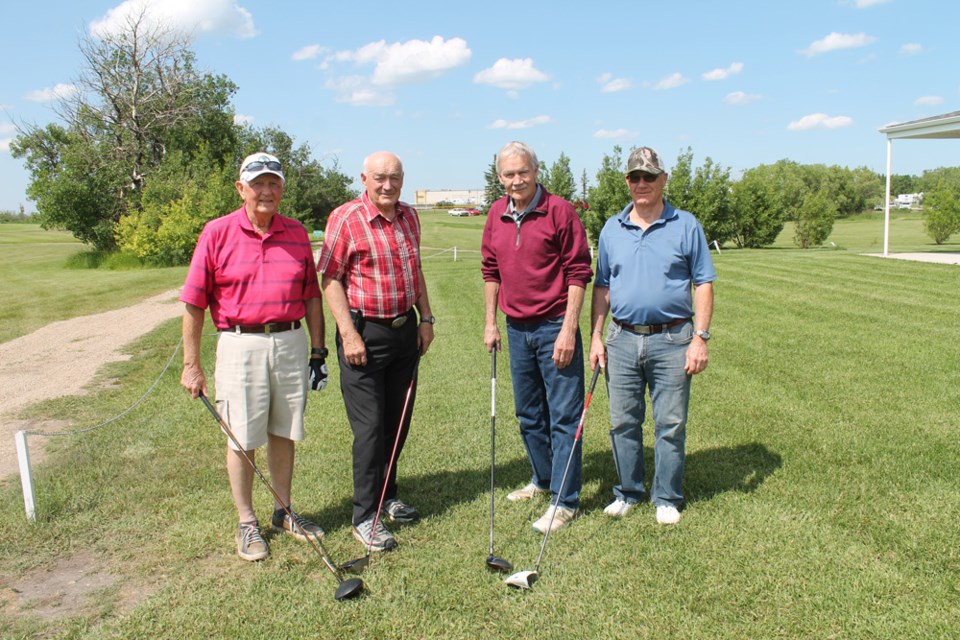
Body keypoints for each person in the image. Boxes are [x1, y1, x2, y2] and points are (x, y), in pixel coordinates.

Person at [180, 152, 330, 561]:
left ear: (282, 188)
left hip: (290, 341)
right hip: (239, 342)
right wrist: (191, 365)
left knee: (284, 430)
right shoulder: (217, 232)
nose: (266, 191)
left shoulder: (297, 232)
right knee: (242, 436)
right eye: (257, 183)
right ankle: (247, 522)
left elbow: (311, 296)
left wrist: (318, 350)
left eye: (273, 183)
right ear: (241, 188)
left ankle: (283, 510)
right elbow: (194, 302)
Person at [588, 146, 716, 525]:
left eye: (648, 176)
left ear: (664, 179)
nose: (641, 183)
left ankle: (666, 496)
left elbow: (704, 283)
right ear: (627, 182)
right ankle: (628, 491)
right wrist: (595, 335)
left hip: (674, 339)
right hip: (621, 339)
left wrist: (701, 337)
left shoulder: (686, 225)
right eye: (634, 177)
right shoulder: (613, 227)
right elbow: (602, 287)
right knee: (622, 421)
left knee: (670, 422)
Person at [317, 151, 435, 552]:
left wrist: (427, 318)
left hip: (405, 332)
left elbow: (414, 269)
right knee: (369, 430)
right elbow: (330, 279)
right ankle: (365, 516)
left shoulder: (410, 216)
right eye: (380, 178)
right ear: (364, 178)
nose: (388, 185)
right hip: (363, 334)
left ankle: (388, 495)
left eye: (395, 178)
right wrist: (348, 334)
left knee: (396, 423)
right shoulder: (346, 218)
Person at [481, 141, 594, 534]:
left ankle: (566, 501)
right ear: (500, 178)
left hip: (554, 326)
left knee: (564, 417)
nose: (517, 180)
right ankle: (543, 479)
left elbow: (579, 272)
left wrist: (568, 329)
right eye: (509, 174)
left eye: (523, 172)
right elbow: (490, 269)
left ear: (536, 171)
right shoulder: (496, 213)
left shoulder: (559, 211)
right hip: (516, 328)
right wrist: (490, 322)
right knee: (529, 414)